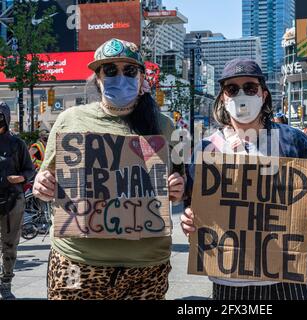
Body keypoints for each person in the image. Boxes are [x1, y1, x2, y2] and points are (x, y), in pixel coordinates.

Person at [32, 38, 185, 300]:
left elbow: (180, 186)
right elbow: (45, 180)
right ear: (98, 78)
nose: (120, 77)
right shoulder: (71, 120)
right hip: (77, 262)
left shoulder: (165, 126)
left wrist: (176, 188)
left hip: (145, 268)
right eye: (110, 70)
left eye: (129, 70)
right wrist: (42, 186)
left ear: (141, 78)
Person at [180, 58, 307, 300]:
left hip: (292, 275)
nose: (242, 94)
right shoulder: (207, 149)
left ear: (263, 94)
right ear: (223, 97)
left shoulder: (295, 140)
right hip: (231, 278)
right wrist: (188, 220)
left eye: (249, 87)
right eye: (232, 89)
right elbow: (192, 205)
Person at [0, 101, 35, 300]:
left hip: (12, 201)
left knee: (10, 244)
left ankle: (6, 283)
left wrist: (20, 178)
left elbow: (30, 170)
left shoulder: (17, 143)